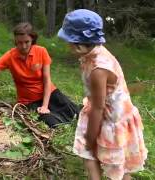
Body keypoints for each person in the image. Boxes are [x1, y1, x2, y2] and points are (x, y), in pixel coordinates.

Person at [57, 9, 147, 180]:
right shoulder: (95, 51)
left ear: (78, 44)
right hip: (110, 112)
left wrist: (91, 137)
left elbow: (98, 108)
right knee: (115, 166)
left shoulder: (99, 69)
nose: (67, 45)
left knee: (92, 154)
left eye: (68, 41)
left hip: (110, 118)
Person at [0, 22, 79, 128]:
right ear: (15, 41)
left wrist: (45, 106)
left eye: (26, 42)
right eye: (19, 42)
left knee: (76, 114)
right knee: (54, 124)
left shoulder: (41, 51)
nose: (23, 46)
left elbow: (46, 80)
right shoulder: (10, 56)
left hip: (49, 92)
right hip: (29, 100)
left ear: (32, 39)